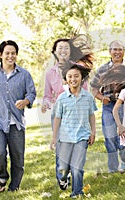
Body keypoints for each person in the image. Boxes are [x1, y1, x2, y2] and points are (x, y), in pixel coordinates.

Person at [0, 40, 36, 192]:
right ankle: (2, 177)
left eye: (13, 53)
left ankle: (14, 187)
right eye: (7, 53)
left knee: (17, 158)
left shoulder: (24, 74)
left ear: (16, 55)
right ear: (0, 55)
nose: (10, 56)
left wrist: (26, 101)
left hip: (17, 122)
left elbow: (31, 93)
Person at [41, 36, 93, 190]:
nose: (63, 50)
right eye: (60, 48)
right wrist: (45, 103)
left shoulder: (78, 69)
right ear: (55, 52)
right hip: (59, 115)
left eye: (66, 48)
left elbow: (85, 92)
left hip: (77, 114)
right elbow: (47, 95)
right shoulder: (50, 72)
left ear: (70, 52)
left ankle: (75, 178)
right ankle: (63, 176)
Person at [50, 64, 97, 198]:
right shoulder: (62, 98)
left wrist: (93, 132)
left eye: (76, 76)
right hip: (65, 137)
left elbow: (91, 115)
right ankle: (64, 178)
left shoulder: (88, 97)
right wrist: (54, 137)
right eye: (70, 76)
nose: (73, 79)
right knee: (63, 167)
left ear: (82, 78)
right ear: (66, 79)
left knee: (77, 167)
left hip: (82, 136)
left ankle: (77, 192)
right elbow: (57, 118)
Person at [90, 40, 125, 173]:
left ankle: (123, 164)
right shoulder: (102, 69)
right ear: (110, 51)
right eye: (115, 49)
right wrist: (102, 98)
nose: (117, 52)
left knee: (123, 135)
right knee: (109, 136)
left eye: (120, 49)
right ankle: (113, 168)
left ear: (124, 51)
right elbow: (94, 88)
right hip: (108, 106)